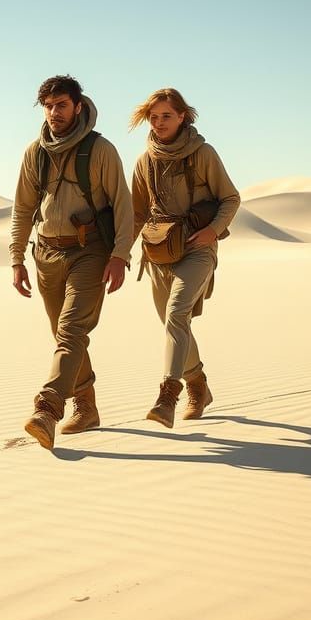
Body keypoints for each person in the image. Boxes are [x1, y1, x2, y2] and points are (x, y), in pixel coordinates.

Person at [11, 75, 134, 450]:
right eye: (48, 106)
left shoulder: (101, 150)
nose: (54, 113)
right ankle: (87, 406)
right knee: (64, 335)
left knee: (70, 331)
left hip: (90, 253)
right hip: (46, 254)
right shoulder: (35, 152)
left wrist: (120, 256)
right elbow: (23, 208)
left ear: (78, 106)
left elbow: (123, 206)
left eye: (61, 105)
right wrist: (17, 258)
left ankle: (48, 408)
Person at [130, 87, 240, 427]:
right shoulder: (144, 160)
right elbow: (135, 214)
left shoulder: (202, 154)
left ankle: (168, 395)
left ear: (182, 116)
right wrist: (118, 256)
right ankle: (198, 385)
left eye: (167, 115)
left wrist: (213, 231)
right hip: (157, 255)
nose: (159, 123)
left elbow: (231, 198)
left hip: (197, 250)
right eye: (154, 116)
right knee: (174, 323)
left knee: (176, 314)